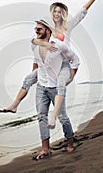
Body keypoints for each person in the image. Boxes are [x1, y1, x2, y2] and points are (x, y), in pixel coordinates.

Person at [0, 0, 103, 129]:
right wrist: (35, 71)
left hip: (63, 65)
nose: (56, 14)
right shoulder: (47, 28)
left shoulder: (68, 26)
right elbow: (37, 51)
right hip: (48, 64)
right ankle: (14, 105)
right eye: (54, 11)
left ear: (63, 14)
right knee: (28, 78)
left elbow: (82, 11)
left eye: (59, 11)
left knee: (60, 88)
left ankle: (55, 119)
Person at [31, 19, 79, 160]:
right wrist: (34, 76)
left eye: (39, 29)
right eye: (35, 29)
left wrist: (70, 77)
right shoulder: (34, 45)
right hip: (41, 86)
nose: (36, 31)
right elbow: (35, 61)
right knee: (41, 116)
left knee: (62, 116)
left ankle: (70, 142)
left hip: (56, 87)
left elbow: (75, 59)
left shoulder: (59, 45)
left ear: (48, 30)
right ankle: (45, 149)